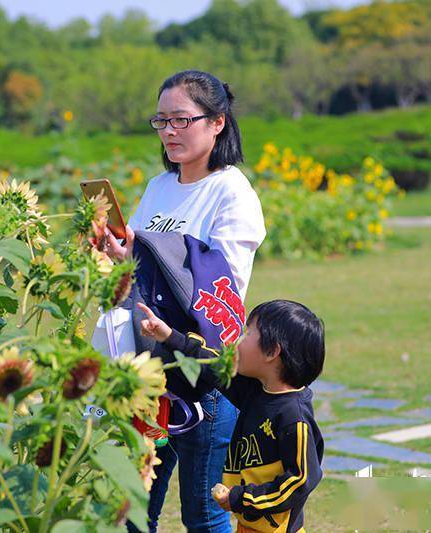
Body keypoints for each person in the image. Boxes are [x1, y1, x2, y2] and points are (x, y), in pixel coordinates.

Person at [96, 70, 266, 532]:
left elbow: (220, 286)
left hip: (201, 370)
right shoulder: (159, 187)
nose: (169, 131)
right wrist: (120, 253)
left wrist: (148, 252)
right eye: (161, 121)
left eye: (181, 120)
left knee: (204, 515)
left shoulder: (232, 192)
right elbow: (144, 266)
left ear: (217, 123)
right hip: (149, 366)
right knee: (133, 506)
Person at [137, 299, 326, 533]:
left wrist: (244, 498)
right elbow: (213, 365)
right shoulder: (255, 390)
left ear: (272, 352)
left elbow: (300, 481)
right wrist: (169, 337)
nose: (238, 341)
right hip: (247, 525)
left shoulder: (293, 418)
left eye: (248, 334)